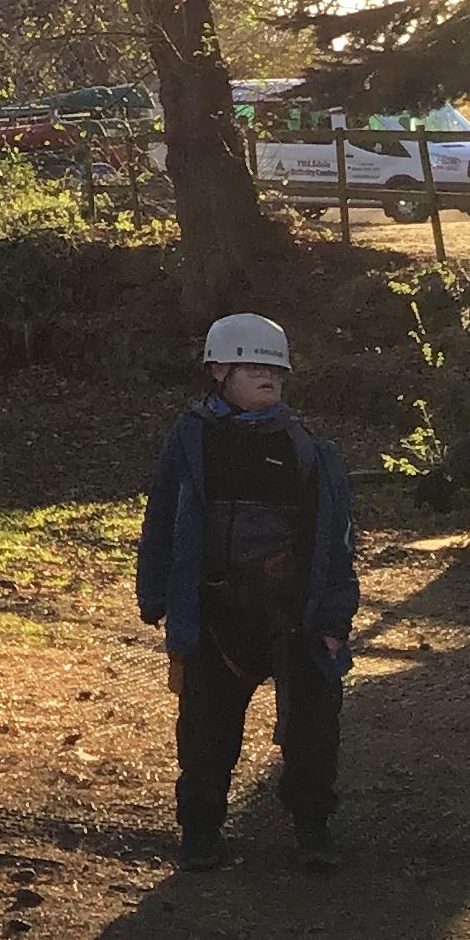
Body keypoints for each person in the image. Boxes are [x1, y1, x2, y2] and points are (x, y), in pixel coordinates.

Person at [137, 310, 359, 874]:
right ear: (219, 372)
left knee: (313, 733)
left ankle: (313, 831)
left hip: (294, 618)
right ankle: (200, 835)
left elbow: (335, 543)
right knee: (204, 736)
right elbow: (162, 518)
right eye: (254, 368)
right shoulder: (191, 440)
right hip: (216, 618)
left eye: (276, 371)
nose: (269, 378)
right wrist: (156, 595)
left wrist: (334, 621)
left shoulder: (307, 449)